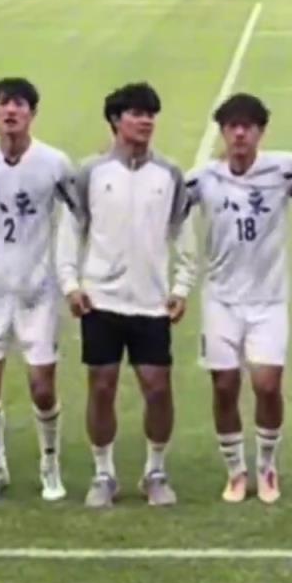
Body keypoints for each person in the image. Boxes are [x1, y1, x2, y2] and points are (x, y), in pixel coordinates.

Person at [56, 81, 195, 508]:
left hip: (151, 303)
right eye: (136, 113)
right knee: (102, 387)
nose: (146, 121)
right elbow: (71, 230)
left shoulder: (169, 174)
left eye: (150, 114)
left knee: (158, 388)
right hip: (101, 300)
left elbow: (182, 232)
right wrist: (70, 283)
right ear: (116, 120)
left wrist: (181, 285)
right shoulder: (90, 172)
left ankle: (155, 471)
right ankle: (103, 474)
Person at [183, 92, 292, 505]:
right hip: (220, 300)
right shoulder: (204, 178)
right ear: (222, 131)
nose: (239, 134)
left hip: (268, 300)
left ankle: (267, 466)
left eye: (247, 126)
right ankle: (235, 471)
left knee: (267, 385)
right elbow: (165, 196)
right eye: (232, 126)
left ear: (260, 131)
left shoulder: (283, 169)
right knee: (224, 387)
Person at [0, 78, 76, 503]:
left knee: (42, 387)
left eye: (20, 104)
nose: (11, 111)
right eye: (3, 104)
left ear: (32, 113)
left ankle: (50, 464)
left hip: (37, 291)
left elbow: (80, 211)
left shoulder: (54, 163)